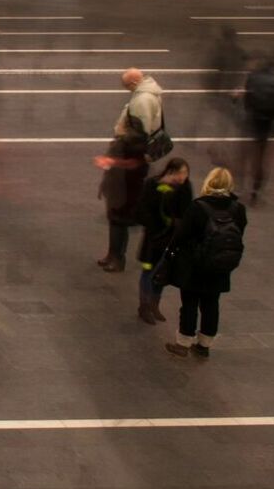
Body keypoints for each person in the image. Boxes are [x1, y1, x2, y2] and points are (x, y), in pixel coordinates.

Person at [159, 168, 249, 360]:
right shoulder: (238, 209)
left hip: (194, 265)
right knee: (211, 303)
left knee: (190, 303)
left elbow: (182, 235)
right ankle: (204, 345)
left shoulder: (198, 207)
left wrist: (169, 254)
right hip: (220, 265)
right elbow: (239, 232)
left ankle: (183, 343)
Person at [135, 157, 191, 324]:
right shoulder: (152, 185)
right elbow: (142, 210)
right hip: (153, 240)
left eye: (186, 173)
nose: (183, 177)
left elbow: (186, 212)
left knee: (162, 273)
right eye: (181, 173)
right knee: (148, 272)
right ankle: (144, 306)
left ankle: (154, 305)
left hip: (171, 239)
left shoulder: (184, 188)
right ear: (171, 171)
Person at [96, 113, 150, 273]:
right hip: (118, 188)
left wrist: (111, 162)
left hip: (125, 191)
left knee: (119, 223)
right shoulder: (129, 142)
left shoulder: (132, 144)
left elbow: (133, 165)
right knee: (115, 223)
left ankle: (117, 258)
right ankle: (112, 255)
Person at [240, 53, 274, 202]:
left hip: (255, 120)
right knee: (264, 156)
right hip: (273, 122)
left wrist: (251, 111)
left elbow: (247, 100)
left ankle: (245, 181)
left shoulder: (254, 76)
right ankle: (257, 186)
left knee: (252, 151)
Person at [117, 68, 166, 152]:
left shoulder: (142, 101)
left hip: (137, 148)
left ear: (133, 83)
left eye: (127, 86)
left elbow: (142, 129)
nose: (128, 90)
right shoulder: (151, 90)